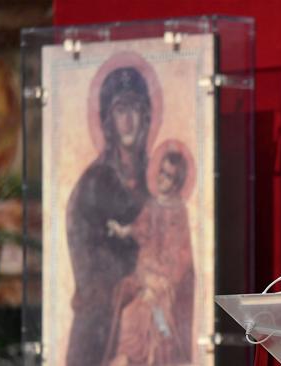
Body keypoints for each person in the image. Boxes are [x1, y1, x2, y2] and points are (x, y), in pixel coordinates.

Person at [65, 66, 152, 366]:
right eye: (120, 110)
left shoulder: (159, 177)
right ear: (109, 120)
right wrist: (122, 280)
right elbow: (83, 248)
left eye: (135, 109)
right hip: (101, 314)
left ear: (146, 116)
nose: (129, 120)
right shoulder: (94, 181)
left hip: (149, 304)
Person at [104, 147, 195, 366]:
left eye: (169, 176)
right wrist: (122, 230)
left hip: (166, 282)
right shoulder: (152, 205)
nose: (163, 179)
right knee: (126, 305)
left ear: (177, 182)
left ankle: (147, 356)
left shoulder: (178, 211)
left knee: (146, 312)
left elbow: (181, 256)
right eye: (161, 173)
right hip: (145, 275)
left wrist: (160, 280)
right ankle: (127, 356)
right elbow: (139, 229)